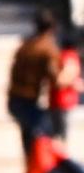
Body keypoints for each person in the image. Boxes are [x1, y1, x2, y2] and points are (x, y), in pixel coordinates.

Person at [7, 9, 61, 156]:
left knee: (29, 138)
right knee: (47, 134)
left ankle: (32, 170)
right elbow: (56, 80)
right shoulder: (47, 49)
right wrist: (70, 75)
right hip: (27, 101)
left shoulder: (25, 45)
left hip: (15, 98)